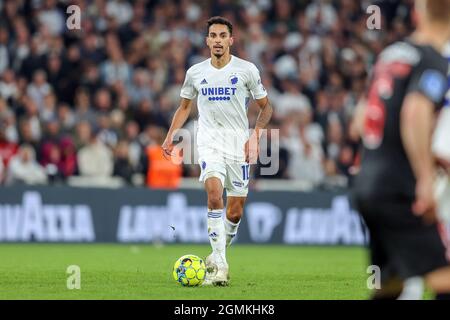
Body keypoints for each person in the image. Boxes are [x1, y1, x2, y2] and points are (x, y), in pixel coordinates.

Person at [162, 16, 273, 286]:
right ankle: (221, 267)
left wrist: (256, 137)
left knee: (234, 213)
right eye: (213, 35)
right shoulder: (196, 73)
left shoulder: (247, 70)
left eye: (223, 35)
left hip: (238, 146)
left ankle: (216, 254)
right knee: (214, 195)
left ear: (231, 40)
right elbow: (185, 107)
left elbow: (266, 107)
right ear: (207, 41)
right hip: (209, 142)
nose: (218, 40)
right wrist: (169, 137)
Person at [354, 0, 450, 300]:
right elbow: (414, 112)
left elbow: (360, 121)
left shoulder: (391, 54)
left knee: (389, 284)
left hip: (366, 184)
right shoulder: (433, 60)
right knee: (444, 277)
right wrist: (424, 178)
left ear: (417, 12)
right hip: (399, 190)